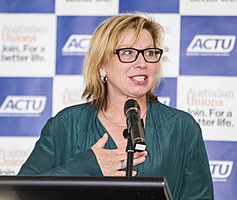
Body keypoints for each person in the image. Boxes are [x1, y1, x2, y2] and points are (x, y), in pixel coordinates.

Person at [18, 13, 213, 199]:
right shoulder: (66, 124)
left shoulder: (181, 127)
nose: (142, 62)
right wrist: (88, 166)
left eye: (149, 52)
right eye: (128, 52)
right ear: (101, 65)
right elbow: (19, 193)